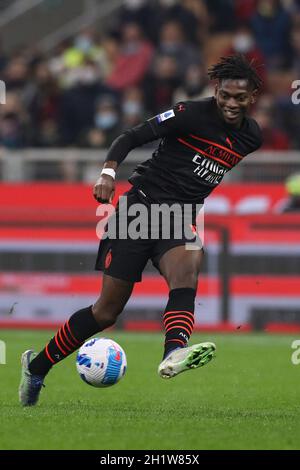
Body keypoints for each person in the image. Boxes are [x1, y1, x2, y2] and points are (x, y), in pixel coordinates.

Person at [19, 54, 263, 406]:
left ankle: (173, 352)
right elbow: (130, 136)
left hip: (179, 219)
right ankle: (37, 366)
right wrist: (107, 173)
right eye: (225, 94)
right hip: (139, 211)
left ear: (252, 97)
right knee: (106, 312)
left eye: (239, 98)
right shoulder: (189, 114)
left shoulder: (251, 137)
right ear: (216, 90)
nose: (230, 102)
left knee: (187, 273)